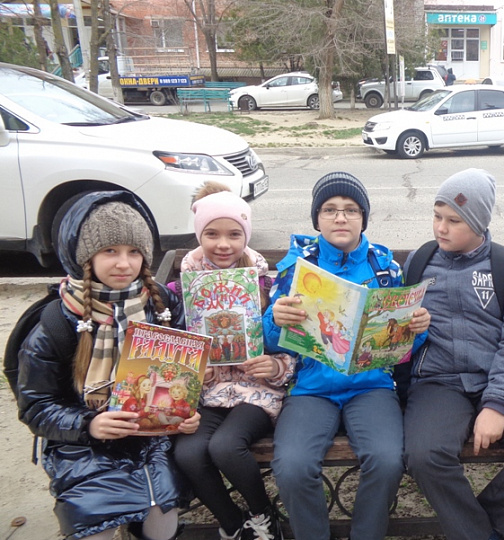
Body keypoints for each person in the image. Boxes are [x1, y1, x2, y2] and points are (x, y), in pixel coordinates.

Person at [402, 169, 504, 540]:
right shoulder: (419, 262)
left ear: (479, 223)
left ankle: (482, 530)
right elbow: (397, 332)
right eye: (437, 216)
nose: (441, 228)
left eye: (454, 220)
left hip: (499, 379)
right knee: (425, 455)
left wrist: (496, 405)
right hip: (438, 382)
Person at [16, 190, 196, 540]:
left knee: (162, 523)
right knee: (95, 526)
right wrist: (90, 424)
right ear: (83, 257)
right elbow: (36, 406)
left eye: (134, 252)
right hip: (82, 444)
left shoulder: (161, 303)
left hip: (152, 437)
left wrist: (188, 409)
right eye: (110, 251)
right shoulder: (56, 322)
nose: (124, 264)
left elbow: (187, 370)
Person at [263, 172, 431, 540]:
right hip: (312, 388)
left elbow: (400, 350)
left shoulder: (385, 268)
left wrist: (417, 329)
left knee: (386, 460)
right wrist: (276, 320)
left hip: (370, 386)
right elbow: (272, 342)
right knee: (292, 465)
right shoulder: (297, 268)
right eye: (330, 209)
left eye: (351, 210)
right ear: (317, 218)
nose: (341, 218)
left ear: (363, 218)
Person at [171, 184, 295, 540]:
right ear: (199, 235)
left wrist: (275, 367)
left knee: (226, 446)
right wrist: (194, 370)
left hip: (256, 391)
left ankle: (263, 515)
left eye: (234, 234)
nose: (223, 244)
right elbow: (173, 349)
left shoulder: (267, 283)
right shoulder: (182, 288)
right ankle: (232, 524)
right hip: (208, 393)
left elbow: (290, 345)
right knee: (189, 453)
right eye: (212, 234)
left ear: (246, 236)